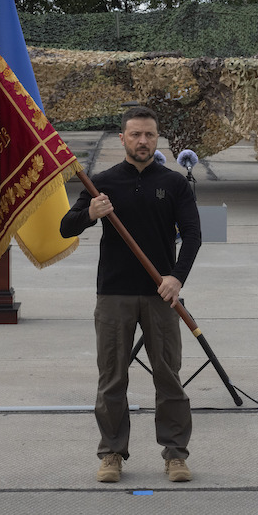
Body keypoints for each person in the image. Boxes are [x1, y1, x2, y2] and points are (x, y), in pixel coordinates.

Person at [59, 106, 203, 484]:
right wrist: (90, 213)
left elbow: (193, 234)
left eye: (149, 135)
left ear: (158, 140)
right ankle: (110, 453)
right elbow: (65, 228)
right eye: (135, 134)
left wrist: (177, 277)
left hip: (161, 295)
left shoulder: (173, 184)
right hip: (114, 295)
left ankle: (175, 455)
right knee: (112, 379)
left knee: (169, 377)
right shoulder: (102, 182)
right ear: (122, 138)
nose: (142, 141)